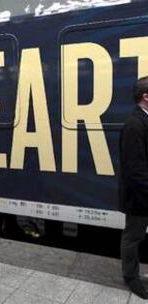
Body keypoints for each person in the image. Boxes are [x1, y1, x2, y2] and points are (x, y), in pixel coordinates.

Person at [119, 76, 148, 299]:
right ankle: (131, 277)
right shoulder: (134, 125)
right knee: (133, 236)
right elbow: (135, 171)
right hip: (139, 195)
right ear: (146, 97)